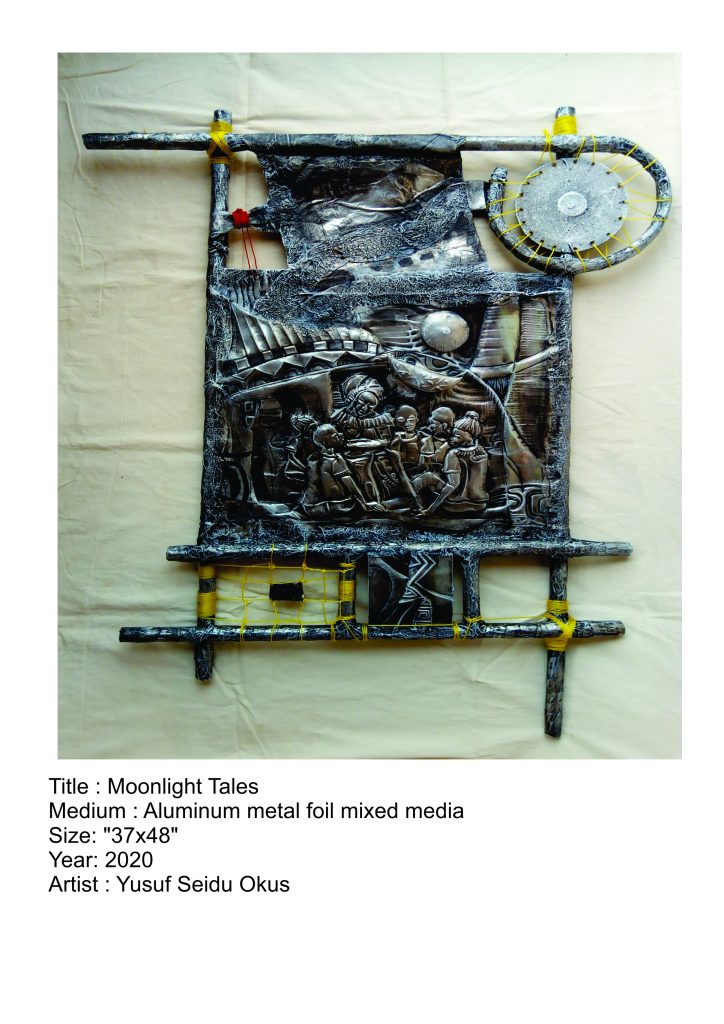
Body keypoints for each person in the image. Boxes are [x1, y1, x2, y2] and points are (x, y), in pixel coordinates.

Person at [422, 410, 489, 515]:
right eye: (453, 435)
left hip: (455, 505)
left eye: (457, 436)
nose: (453, 439)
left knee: (428, 477)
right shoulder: (483, 452)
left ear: (470, 435)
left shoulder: (454, 453)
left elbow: (453, 485)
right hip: (480, 504)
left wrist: (431, 509)